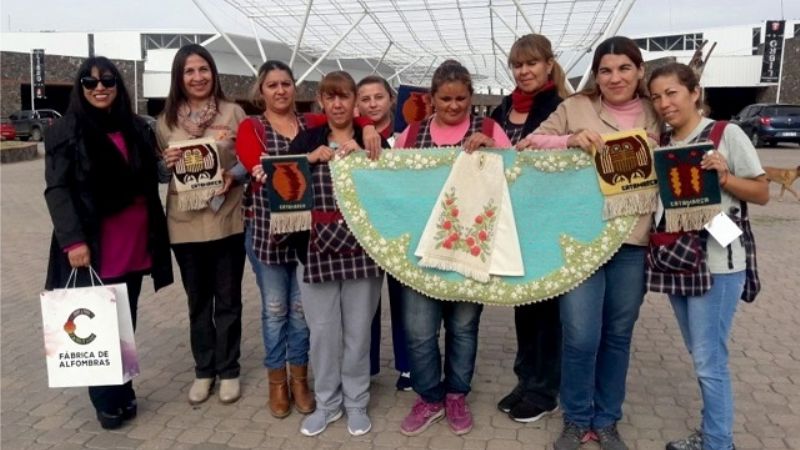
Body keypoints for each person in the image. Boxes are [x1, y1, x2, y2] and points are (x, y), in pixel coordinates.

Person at [518, 36, 660, 450]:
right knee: (580, 335)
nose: (615, 78)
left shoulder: (656, 112)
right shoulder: (576, 107)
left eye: (624, 68)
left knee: (618, 334)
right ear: (595, 75)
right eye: (606, 70)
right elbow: (527, 145)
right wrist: (568, 140)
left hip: (632, 240)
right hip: (580, 239)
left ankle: (607, 419)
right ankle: (577, 419)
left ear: (639, 71)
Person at [43, 56, 173, 430]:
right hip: (92, 245)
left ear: (118, 85)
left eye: (108, 81)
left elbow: (152, 174)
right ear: (80, 88)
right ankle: (105, 399)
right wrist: (73, 243)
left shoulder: (136, 127)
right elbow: (57, 190)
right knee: (96, 322)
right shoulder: (65, 131)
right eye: (90, 82)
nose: (99, 87)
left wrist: (170, 163)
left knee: (123, 317)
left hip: (134, 240)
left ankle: (122, 387)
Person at [648, 62, 768, 450]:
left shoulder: (725, 134)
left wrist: (726, 177)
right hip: (677, 262)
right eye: (656, 96)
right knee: (702, 355)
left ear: (694, 92)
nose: (664, 103)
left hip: (719, 265)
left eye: (671, 93)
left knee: (708, 361)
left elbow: (762, 193)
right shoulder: (663, 144)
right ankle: (712, 434)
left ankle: (718, 442)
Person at [395, 59, 513, 437]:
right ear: (431, 99)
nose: (453, 106)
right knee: (418, 330)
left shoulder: (491, 128)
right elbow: (389, 184)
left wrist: (495, 152)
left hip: (469, 249)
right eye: (445, 98)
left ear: (470, 98)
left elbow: (515, 176)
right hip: (419, 252)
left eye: (461, 98)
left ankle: (457, 394)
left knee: (463, 327)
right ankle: (430, 395)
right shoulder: (409, 136)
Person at [288, 71, 389, 437]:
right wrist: (305, 158)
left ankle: (356, 403)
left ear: (355, 101)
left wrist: (366, 156)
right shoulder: (308, 138)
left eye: (344, 96)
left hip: (362, 253)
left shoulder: (376, 141)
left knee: (359, 333)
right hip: (315, 252)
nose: (337, 104)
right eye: (330, 97)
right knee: (323, 334)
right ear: (320, 100)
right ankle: (328, 403)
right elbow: (282, 180)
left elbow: (390, 190)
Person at [156, 44, 247, 406]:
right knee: (198, 302)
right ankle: (203, 370)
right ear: (179, 77)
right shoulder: (165, 122)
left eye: (203, 69)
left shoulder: (234, 112)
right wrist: (166, 162)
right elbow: (159, 172)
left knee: (228, 300)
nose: (198, 77)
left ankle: (229, 370)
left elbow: (251, 159)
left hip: (227, 218)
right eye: (189, 71)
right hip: (185, 224)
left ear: (213, 73)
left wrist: (235, 175)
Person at [487, 33, 569, 423]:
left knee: (547, 309)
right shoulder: (504, 108)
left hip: (547, 221)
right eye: (518, 65)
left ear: (548, 63)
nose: (524, 71)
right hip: (511, 222)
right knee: (524, 306)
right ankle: (526, 379)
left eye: (531, 63)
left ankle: (545, 390)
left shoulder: (562, 107)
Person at [234, 60, 314, 418]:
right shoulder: (251, 128)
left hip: (306, 232)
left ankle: (300, 378)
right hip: (266, 231)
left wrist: (371, 128)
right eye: (272, 85)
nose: (280, 90)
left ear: (295, 87)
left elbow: (353, 120)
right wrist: (308, 159)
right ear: (261, 91)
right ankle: (277, 382)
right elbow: (258, 166)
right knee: (275, 308)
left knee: (301, 310)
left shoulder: (311, 123)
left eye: (286, 83)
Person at [356, 75, 412, 391]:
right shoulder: (349, 135)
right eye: (365, 99)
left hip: (403, 229)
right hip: (364, 229)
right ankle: (367, 365)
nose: (373, 103)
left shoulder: (410, 133)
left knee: (405, 302)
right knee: (366, 304)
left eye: (379, 96)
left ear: (392, 99)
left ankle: (409, 366)